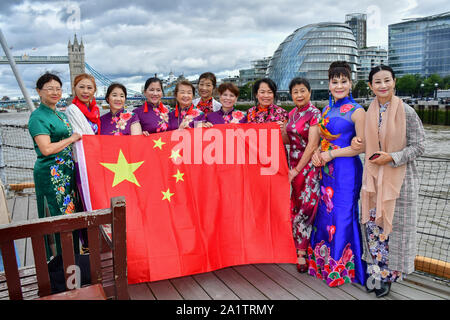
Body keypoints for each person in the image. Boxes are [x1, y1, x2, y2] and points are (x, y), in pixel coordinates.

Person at [351, 65, 425, 298]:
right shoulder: (368, 111)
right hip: (373, 181)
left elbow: (420, 145)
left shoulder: (407, 112)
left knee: (393, 231)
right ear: (371, 86)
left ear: (394, 82)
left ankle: (389, 278)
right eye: (377, 82)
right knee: (374, 229)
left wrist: (392, 157)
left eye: (387, 80)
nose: (382, 85)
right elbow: (365, 143)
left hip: (398, 183)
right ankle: (376, 273)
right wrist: (357, 143)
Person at [308, 61, 367, 287]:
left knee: (343, 215)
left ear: (351, 84)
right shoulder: (326, 109)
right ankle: (323, 264)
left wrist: (331, 155)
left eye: (344, 81)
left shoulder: (358, 111)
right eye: (335, 82)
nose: (339, 86)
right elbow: (322, 141)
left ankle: (342, 270)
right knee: (325, 215)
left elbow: (360, 147)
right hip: (327, 171)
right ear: (329, 85)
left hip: (346, 171)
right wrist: (316, 155)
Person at [28, 73, 82, 260]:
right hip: (51, 174)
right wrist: (72, 138)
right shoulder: (37, 117)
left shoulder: (59, 113)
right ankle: (58, 264)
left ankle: (73, 260)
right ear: (39, 91)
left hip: (66, 173)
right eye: (49, 88)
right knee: (57, 216)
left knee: (70, 215)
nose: (55, 92)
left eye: (58, 88)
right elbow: (46, 149)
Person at [279, 78, 321, 273]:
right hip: (293, 166)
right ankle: (295, 245)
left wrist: (297, 170)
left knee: (306, 207)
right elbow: (289, 140)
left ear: (309, 92)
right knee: (295, 205)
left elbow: (312, 145)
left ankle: (302, 252)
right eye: (295, 92)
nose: (299, 95)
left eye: (302, 91)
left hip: (308, 167)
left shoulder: (315, 114)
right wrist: (280, 130)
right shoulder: (292, 113)